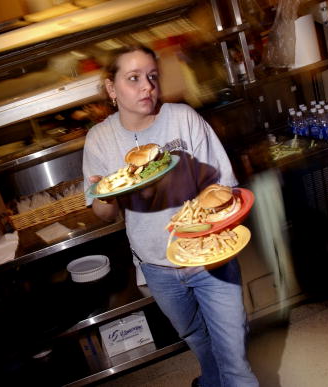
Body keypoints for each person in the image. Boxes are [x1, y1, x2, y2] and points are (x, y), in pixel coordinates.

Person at [82, 45, 258, 387]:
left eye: (151, 77)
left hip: (209, 257)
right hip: (157, 266)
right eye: (133, 78)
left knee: (235, 359)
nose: (147, 86)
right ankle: (210, 381)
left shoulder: (182, 118)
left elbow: (225, 184)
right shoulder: (99, 139)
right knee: (195, 337)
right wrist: (106, 192)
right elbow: (103, 214)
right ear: (111, 88)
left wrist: (215, 228)